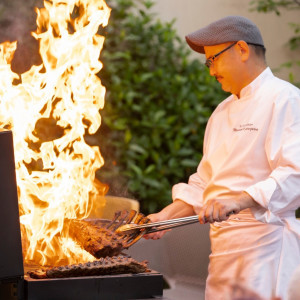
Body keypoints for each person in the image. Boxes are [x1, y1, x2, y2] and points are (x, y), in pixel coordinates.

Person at [143, 15, 300, 300]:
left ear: (242, 49)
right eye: (208, 62)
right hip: (223, 254)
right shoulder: (222, 112)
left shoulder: (285, 99)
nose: (211, 70)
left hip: (267, 250)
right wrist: (163, 219)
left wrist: (239, 200)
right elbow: (204, 184)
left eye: (213, 59)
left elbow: (294, 174)